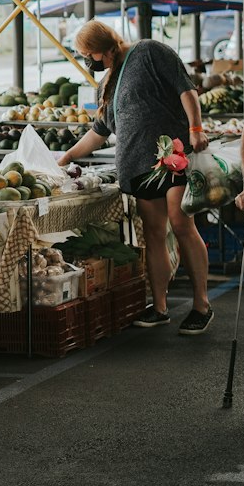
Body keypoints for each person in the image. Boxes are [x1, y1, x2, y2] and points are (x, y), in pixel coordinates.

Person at [57, 20, 213, 336]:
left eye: (87, 54)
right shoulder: (106, 86)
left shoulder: (150, 52)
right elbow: (99, 132)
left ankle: (201, 305)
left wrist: (196, 129)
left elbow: (187, 89)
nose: (88, 61)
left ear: (100, 50)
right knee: (153, 233)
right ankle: (159, 307)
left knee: (181, 223)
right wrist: (67, 157)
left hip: (172, 153)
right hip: (136, 165)